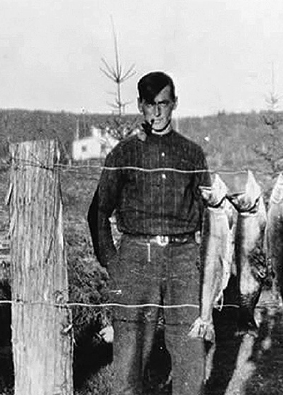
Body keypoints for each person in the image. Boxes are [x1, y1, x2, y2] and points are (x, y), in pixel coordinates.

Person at [88, 71, 211, 395]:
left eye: (164, 104)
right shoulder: (124, 153)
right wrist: (114, 264)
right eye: (150, 105)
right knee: (129, 354)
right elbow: (98, 211)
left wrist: (205, 261)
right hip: (135, 259)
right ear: (140, 106)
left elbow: (210, 210)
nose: (157, 113)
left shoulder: (192, 153)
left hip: (184, 257)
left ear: (174, 104)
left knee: (189, 349)